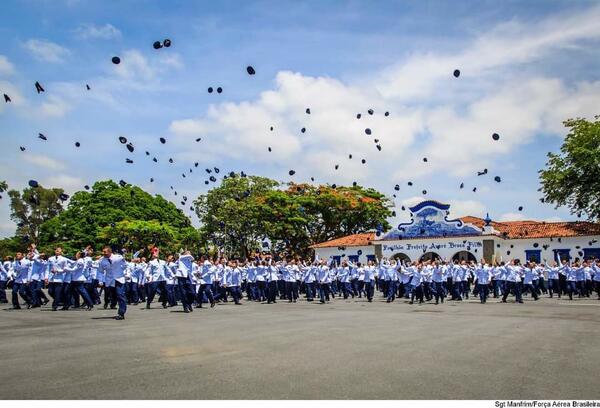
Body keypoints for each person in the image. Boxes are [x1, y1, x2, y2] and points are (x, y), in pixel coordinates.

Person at [98, 246, 128, 320]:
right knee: (112, 295)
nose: (103, 253)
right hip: (109, 280)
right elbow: (100, 271)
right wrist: (100, 281)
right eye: (103, 252)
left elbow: (125, 265)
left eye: (105, 252)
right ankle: (111, 304)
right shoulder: (102, 261)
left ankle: (121, 313)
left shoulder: (118, 257)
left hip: (119, 279)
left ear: (110, 252)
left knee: (120, 295)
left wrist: (123, 272)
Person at [47, 247, 70, 311]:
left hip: (60, 278)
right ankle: (60, 301)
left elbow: (65, 269)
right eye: (56, 249)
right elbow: (47, 268)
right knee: (50, 291)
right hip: (51, 278)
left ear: (61, 252)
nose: (57, 250)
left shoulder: (64, 259)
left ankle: (55, 305)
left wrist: (58, 271)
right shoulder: (50, 258)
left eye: (59, 250)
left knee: (57, 292)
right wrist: (46, 277)